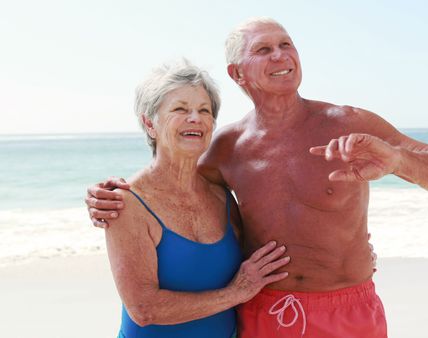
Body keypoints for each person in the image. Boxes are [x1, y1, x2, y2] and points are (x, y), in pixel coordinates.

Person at [87, 18, 428, 337]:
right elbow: (174, 186)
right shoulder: (225, 148)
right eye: (263, 49)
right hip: (265, 310)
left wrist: (397, 160)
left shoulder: (349, 122)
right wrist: (108, 197)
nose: (281, 55)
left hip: (347, 306)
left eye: (286, 44)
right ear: (237, 73)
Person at [105, 59, 290, 338]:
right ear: (149, 123)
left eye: (204, 110)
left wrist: (351, 254)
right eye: (180, 109)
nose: (196, 118)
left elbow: (262, 257)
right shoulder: (126, 203)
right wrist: (235, 293)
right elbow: (144, 309)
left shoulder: (222, 197)